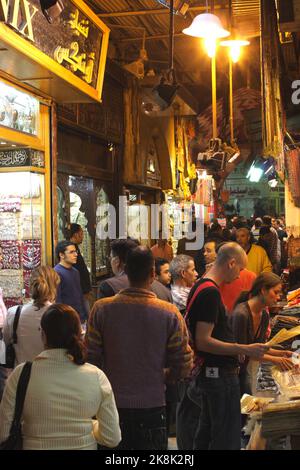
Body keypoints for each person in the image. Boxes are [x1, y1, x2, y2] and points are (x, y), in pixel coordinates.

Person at [86, 246, 193, 450]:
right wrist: (162, 375)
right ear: (153, 274)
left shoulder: (101, 309)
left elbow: (91, 358)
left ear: (125, 270)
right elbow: (183, 363)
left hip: (109, 404)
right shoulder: (169, 313)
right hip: (152, 405)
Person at [0, 304, 121, 450]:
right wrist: (90, 425)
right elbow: (112, 438)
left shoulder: (21, 374)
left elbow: (3, 433)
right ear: (79, 333)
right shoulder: (96, 376)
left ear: (43, 335)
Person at [184, 242, 268, 450]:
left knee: (208, 431)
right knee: (226, 436)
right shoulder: (209, 292)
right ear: (231, 263)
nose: (240, 276)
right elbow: (204, 341)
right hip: (218, 376)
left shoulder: (202, 285)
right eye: (240, 269)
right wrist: (243, 348)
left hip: (214, 375)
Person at [231, 272, 294, 396]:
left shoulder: (264, 315)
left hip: (244, 370)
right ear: (263, 290)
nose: (278, 297)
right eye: (276, 292)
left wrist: (282, 353)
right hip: (230, 372)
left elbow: (259, 347)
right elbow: (243, 352)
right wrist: (276, 359)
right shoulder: (241, 314)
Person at [3, 266, 60, 366]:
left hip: (21, 376)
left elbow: (7, 341)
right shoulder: (61, 315)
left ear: (31, 285)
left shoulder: (13, 313)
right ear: (54, 287)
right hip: (51, 375)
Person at [54, 241, 87, 323]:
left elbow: (80, 295)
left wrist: (85, 315)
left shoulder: (75, 272)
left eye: (76, 251)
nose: (76, 255)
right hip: (67, 319)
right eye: (71, 252)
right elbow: (57, 300)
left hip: (80, 317)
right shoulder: (56, 272)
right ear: (61, 255)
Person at [68, 223, 92, 314]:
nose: (82, 236)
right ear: (75, 234)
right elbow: (78, 271)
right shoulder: (72, 250)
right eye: (81, 233)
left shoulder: (75, 248)